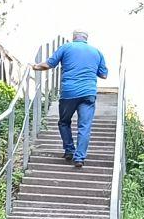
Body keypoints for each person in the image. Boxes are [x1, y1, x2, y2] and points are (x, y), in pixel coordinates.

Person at [33, 31, 109, 169]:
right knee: (84, 126)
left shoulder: (66, 47)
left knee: (64, 122)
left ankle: (69, 150)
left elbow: (49, 64)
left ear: (73, 38)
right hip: (88, 93)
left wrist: (35, 66)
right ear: (86, 38)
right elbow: (103, 75)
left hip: (69, 92)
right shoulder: (97, 52)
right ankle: (79, 158)